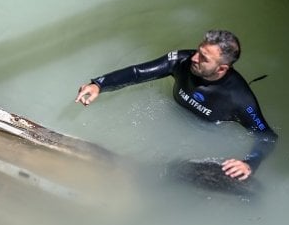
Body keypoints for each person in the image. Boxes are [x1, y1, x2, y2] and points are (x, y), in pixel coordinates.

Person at [74, 29, 277, 181]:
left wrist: (249, 163)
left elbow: (267, 136)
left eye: (203, 58)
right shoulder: (181, 61)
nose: (194, 58)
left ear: (221, 68)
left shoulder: (239, 98)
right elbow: (138, 73)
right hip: (170, 118)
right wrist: (99, 84)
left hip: (202, 136)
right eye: (198, 51)